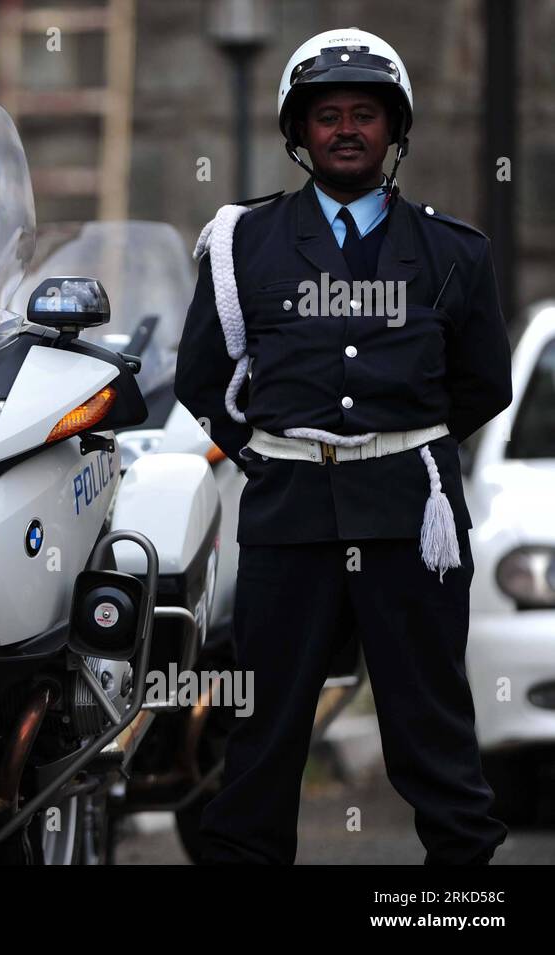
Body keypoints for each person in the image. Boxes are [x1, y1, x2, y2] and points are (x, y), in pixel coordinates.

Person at [174, 27, 512, 864]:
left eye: (367, 113)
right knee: (263, 733)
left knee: (431, 730)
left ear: (396, 132)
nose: (348, 129)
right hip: (288, 517)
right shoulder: (243, 244)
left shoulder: (452, 250)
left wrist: (393, 446)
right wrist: (273, 455)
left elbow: (484, 385)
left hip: (411, 516)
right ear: (300, 133)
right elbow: (203, 378)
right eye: (328, 115)